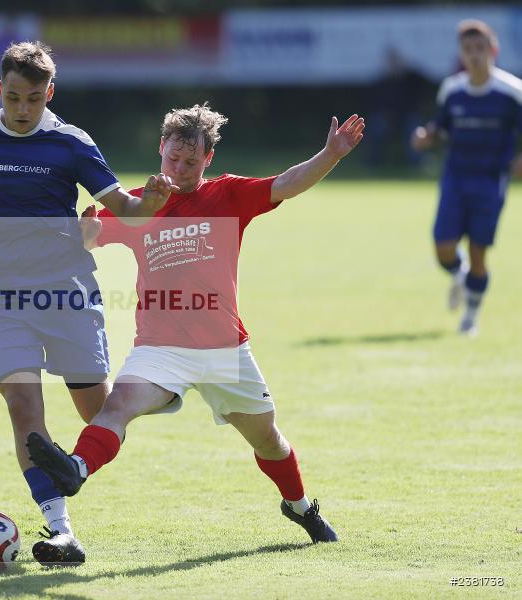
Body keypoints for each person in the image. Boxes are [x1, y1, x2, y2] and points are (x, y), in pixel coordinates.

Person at [27, 102, 364, 548]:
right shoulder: (138, 205)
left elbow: (286, 184)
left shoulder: (227, 195)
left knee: (269, 441)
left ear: (207, 159)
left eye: (191, 162)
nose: (181, 169)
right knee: (118, 405)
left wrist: (331, 155)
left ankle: (299, 506)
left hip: (226, 351)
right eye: (173, 159)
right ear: (160, 149)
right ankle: (76, 469)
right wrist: (84, 229)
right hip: (160, 349)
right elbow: (85, 242)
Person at [0, 41, 176, 565]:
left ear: (49, 93)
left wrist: (151, 205)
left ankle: (158, 394)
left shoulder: (71, 143)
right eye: (11, 97)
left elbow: (125, 209)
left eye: (32, 98)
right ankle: (60, 530)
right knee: (23, 406)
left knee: (99, 411)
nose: (21, 109)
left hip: (67, 293)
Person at [411, 19, 522, 336]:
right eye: (468, 49)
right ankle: (459, 277)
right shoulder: (453, 89)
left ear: (493, 50)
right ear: (461, 53)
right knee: (443, 248)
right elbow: (441, 128)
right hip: (455, 178)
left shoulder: (512, 93)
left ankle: (470, 317)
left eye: (480, 48)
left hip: (489, 181)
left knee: (478, 253)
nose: (474, 55)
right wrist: (425, 136)